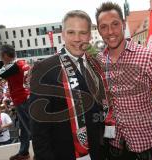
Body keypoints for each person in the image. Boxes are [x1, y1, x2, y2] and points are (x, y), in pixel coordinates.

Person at [95, 2, 152, 160]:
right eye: (104, 27)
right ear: (99, 30)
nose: (110, 31)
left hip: (146, 146)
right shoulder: (99, 60)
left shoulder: (147, 56)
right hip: (114, 146)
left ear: (123, 24)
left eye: (115, 24)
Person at [30, 10, 113, 160]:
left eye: (82, 33)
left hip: (99, 151)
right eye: (71, 32)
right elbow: (39, 129)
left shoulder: (96, 63)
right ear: (62, 34)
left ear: (89, 35)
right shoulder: (44, 68)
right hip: (65, 154)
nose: (77, 39)